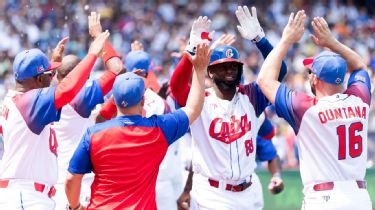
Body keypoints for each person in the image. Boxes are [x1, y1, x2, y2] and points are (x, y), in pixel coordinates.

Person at [64, 43, 212, 210]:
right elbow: (193, 109)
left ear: (115, 100)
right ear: (142, 100)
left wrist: (75, 207)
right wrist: (199, 70)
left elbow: (72, 178)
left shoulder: (93, 134)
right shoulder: (158, 129)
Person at [170, 6, 287, 209]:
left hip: (247, 192)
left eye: (234, 65)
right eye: (223, 66)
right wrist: (190, 52)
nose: (230, 69)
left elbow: (279, 71)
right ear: (211, 72)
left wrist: (260, 39)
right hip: (211, 194)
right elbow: (177, 87)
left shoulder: (251, 97)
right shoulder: (200, 100)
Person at [256, 10, 372, 210]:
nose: (309, 75)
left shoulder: (306, 109)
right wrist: (332, 42)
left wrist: (286, 40)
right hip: (359, 197)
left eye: (311, 72)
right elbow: (360, 66)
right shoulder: (360, 100)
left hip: (324, 198)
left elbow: (264, 80)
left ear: (315, 79)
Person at [0, 31, 109, 210]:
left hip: (26, 194)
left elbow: (49, 89)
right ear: (38, 78)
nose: (52, 78)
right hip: (24, 196)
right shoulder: (29, 103)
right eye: (49, 75)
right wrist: (91, 56)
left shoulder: (17, 99)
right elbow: (67, 89)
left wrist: (53, 63)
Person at [52, 12, 124, 210]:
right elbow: (117, 69)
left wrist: (55, 64)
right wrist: (98, 38)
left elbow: (98, 119)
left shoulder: (46, 96)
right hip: (78, 183)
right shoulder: (79, 98)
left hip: (55, 182)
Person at [177, 116, 284, 210]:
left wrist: (276, 176)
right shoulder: (207, 116)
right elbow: (198, 158)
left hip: (249, 188)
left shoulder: (249, 121)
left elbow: (271, 154)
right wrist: (187, 189)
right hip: (215, 190)